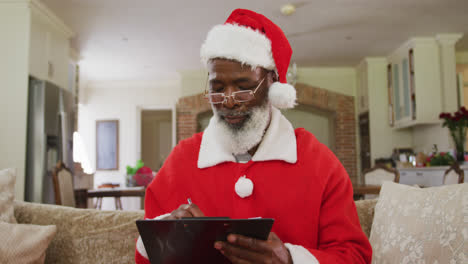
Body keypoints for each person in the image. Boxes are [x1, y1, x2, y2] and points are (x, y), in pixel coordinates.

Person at [135, 8, 372, 264]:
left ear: (272, 84)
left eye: (243, 88)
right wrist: (164, 236)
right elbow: (145, 257)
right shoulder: (181, 161)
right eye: (217, 89)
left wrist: (290, 260)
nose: (228, 101)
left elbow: (355, 256)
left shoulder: (319, 162)